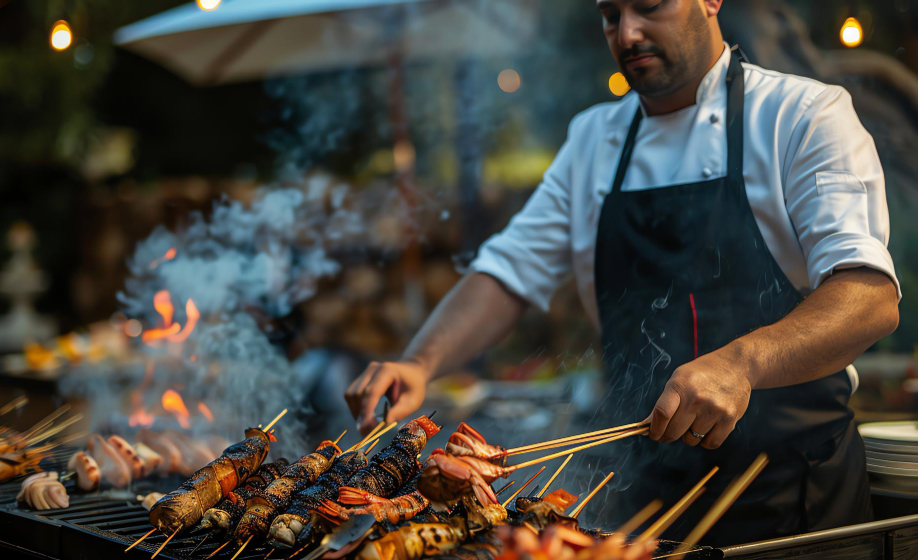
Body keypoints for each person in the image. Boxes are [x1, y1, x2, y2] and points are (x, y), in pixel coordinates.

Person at [345, 0, 901, 546]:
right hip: (642, 494)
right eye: (611, 15)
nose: (628, 33)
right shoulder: (594, 139)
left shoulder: (800, 114)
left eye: (649, 7)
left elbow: (869, 295)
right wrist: (420, 362)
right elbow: (510, 268)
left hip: (792, 491)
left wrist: (742, 362)